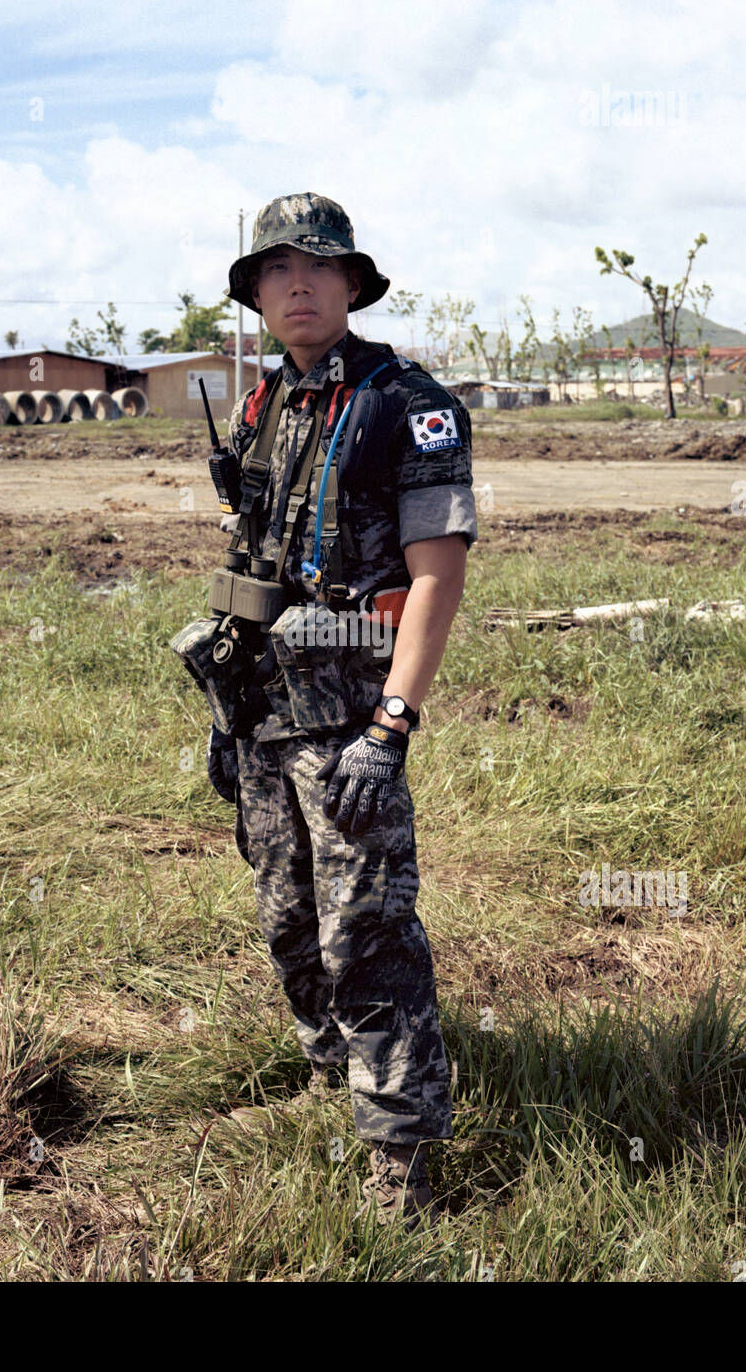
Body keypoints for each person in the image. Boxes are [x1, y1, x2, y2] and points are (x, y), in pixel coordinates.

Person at [195, 192, 477, 1231]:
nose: (297, 286)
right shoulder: (268, 402)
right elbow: (248, 560)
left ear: (351, 284)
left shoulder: (406, 403)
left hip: (353, 719)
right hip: (263, 711)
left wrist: (392, 724)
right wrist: (224, 718)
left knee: (367, 936)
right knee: (286, 920)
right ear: (258, 294)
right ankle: (329, 1075)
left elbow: (435, 576)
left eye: (316, 269)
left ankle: (399, 1156)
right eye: (275, 271)